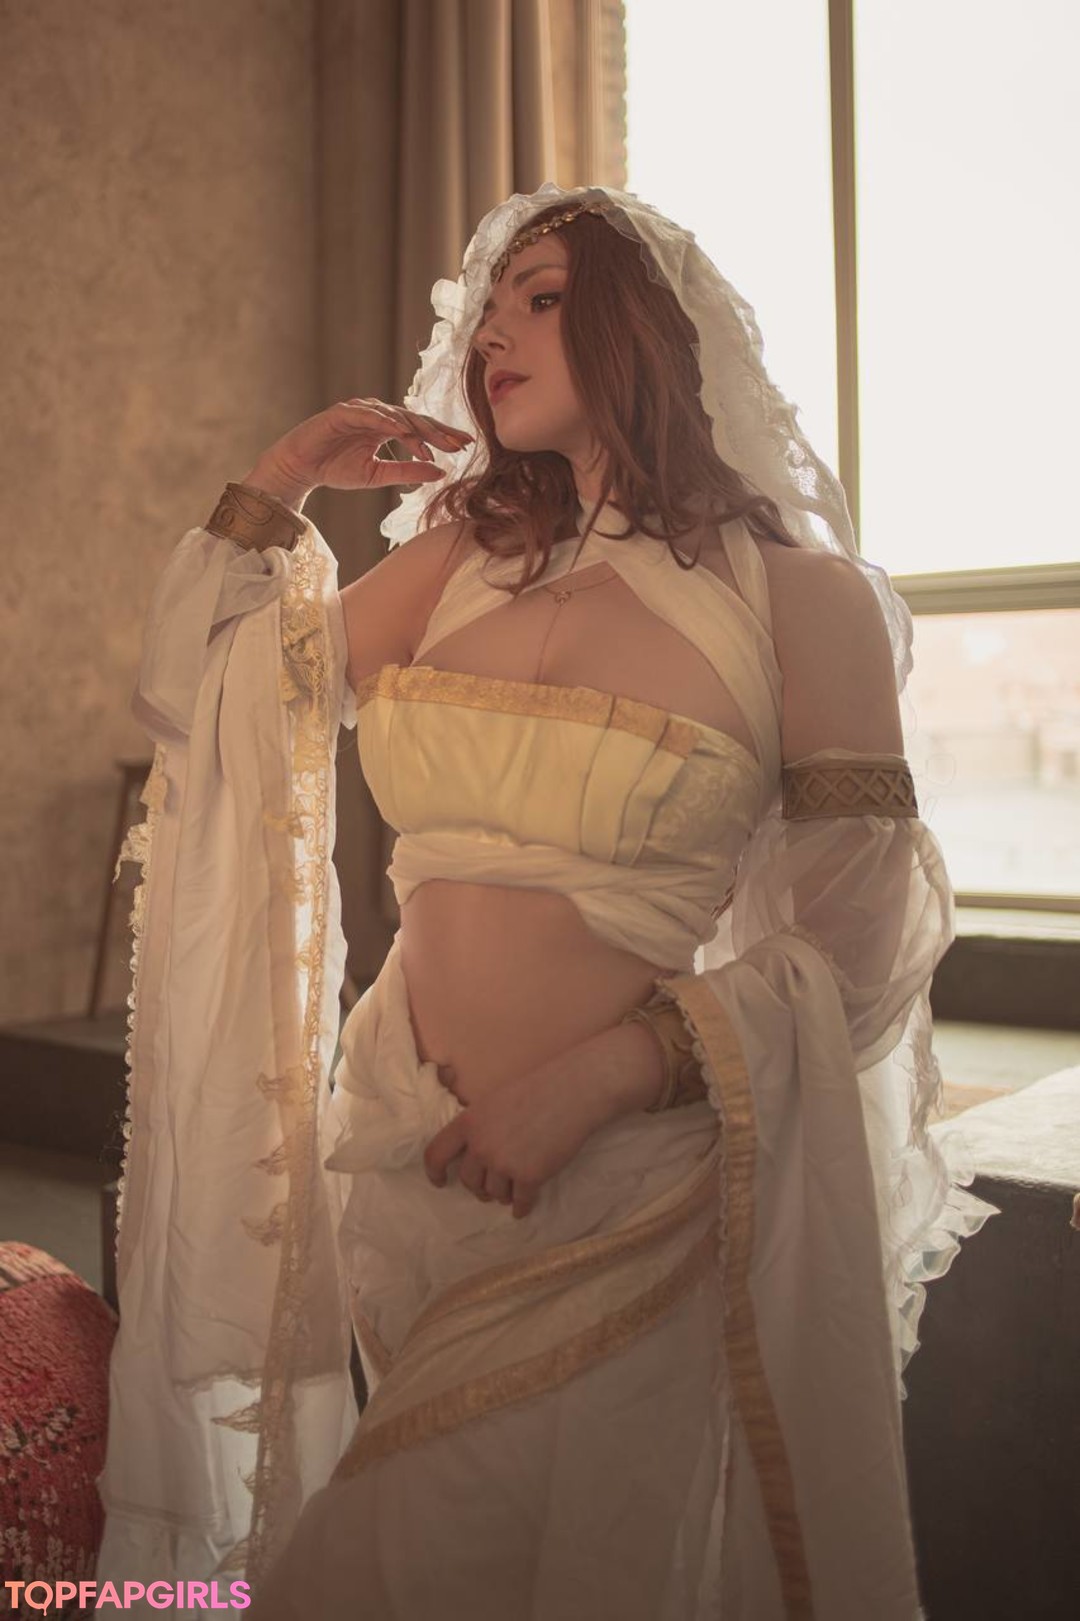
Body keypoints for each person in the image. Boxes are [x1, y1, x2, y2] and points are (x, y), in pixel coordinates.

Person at [93, 184, 995, 1620]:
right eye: (490, 307)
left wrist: (600, 1078)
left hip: (629, 1187)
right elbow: (215, 701)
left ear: (648, 332)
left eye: (545, 297)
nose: (494, 334)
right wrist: (289, 475)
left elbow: (860, 948)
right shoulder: (458, 564)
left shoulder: (797, 600)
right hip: (406, 1156)